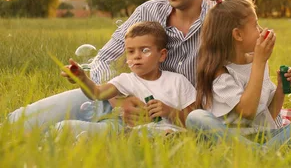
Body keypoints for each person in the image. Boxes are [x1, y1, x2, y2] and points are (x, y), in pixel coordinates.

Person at [8, 0, 216, 130]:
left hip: (176, 123)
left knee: (68, 133)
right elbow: (104, 58)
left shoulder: (222, 19)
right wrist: (120, 101)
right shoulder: (148, 11)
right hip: (116, 104)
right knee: (20, 121)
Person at [185, 0, 291, 147]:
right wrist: (259, 62)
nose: (260, 29)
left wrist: (280, 88)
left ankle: (258, 153)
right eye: (255, 25)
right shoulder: (221, 73)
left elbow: (269, 114)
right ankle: (264, 153)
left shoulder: (258, 62)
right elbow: (247, 112)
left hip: (265, 136)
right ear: (238, 35)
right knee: (196, 117)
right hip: (231, 137)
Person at [53, 21, 196, 136]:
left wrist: (170, 111)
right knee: (65, 127)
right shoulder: (125, 80)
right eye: (131, 51)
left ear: (162, 55)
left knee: (168, 133)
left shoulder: (177, 81)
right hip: (135, 134)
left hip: (172, 133)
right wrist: (82, 79)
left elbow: (196, 119)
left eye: (145, 50)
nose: (137, 56)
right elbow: (97, 93)